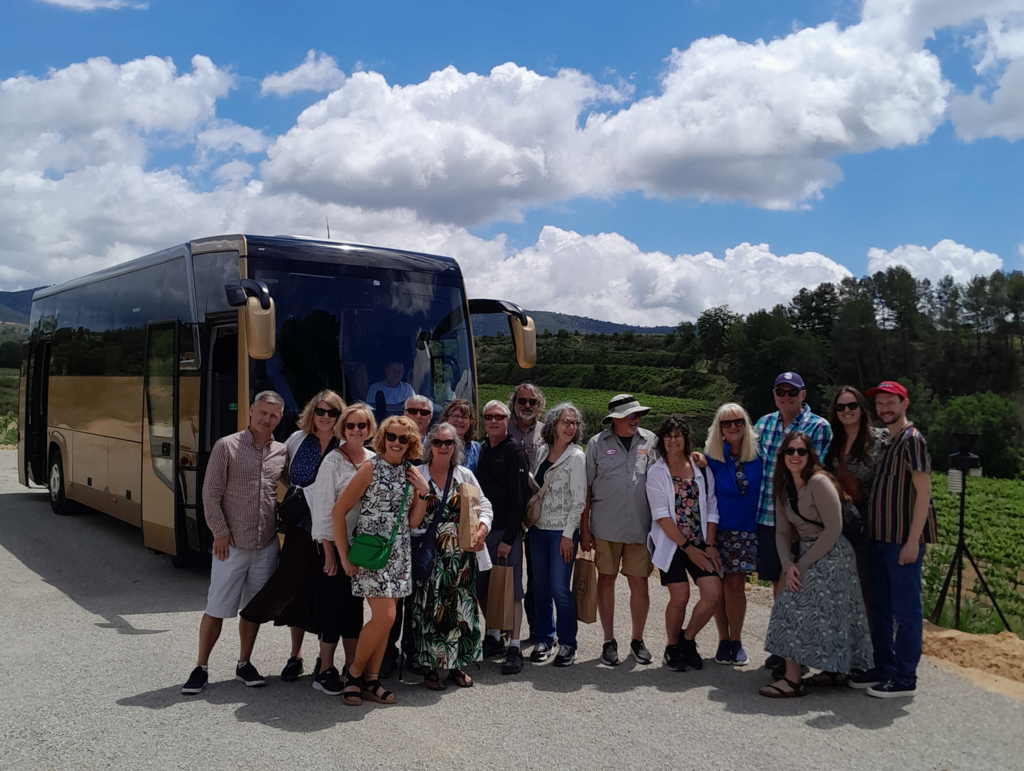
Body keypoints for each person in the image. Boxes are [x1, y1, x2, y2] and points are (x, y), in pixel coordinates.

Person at [181, 392, 289, 695]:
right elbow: (210, 493)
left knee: (253, 609)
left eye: (274, 415)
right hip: (230, 544)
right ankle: (200, 667)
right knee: (216, 606)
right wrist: (219, 532)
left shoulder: (281, 451)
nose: (267, 419)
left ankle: (244, 663)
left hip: (265, 544)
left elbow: (296, 485)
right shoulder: (226, 446)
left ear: (279, 418)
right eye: (263, 413)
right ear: (251, 411)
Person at [240, 390, 344, 682]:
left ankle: (325, 661)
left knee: (327, 594)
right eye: (321, 411)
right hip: (300, 530)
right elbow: (282, 473)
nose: (325, 417)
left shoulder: (346, 444)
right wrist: (299, 498)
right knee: (294, 590)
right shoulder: (297, 440)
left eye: (332, 413)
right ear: (312, 412)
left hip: (333, 534)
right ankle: (294, 655)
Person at [760, 432, 872, 698]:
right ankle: (832, 671)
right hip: (805, 554)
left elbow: (834, 528)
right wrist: (788, 564)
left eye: (801, 451)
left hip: (833, 553)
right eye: (790, 451)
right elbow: (783, 533)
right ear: (783, 455)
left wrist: (803, 564)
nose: (795, 456)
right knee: (815, 609)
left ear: (811, 455)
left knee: (792, 603)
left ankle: (793, 679)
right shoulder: (784, 487)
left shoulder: (819, 482)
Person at [330, 416, 430, 706]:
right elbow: (338, 512)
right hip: (371, 553)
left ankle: (371, 681)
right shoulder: (369, 468)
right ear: (383, 438)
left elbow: (412, 522)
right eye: (392, 437)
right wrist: (343, 554)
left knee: (387, 621)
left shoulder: (412, 473)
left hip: (398, 555)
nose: (397, 443)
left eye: (404, 439)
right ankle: (354, 674)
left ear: (411, 443)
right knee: (385, 616)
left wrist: (424, 492)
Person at [851, 381, 938, 699]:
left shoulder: (913, 441)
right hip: (880, 538)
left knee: (906, 610)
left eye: (891, 403)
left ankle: (904, 677)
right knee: (883, 608)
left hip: (901, 541)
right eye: (880, 404)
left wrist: (913, 541)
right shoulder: (889, 440)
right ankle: (884, 668)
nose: (885, 409)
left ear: (905, 403)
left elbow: (924, 493)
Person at [754, 371, 832, 672]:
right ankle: (784, 645)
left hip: (801, 521)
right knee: (779, 583)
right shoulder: (763, 424)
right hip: (767, 516)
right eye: (780, 391)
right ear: (774, 394)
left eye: (792, 391)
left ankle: (799, 651)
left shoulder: (819, 427)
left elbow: (817, 474)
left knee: (801, 585)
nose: (786, 396)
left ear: (803, 395)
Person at [301, 403, 377, 696]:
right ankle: (325, 669)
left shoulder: (373, 458)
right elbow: (322, 507)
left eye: (362, 425)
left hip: (363, 548)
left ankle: (351, 666)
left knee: (354, 608)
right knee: (333, 607)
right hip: (334, 544)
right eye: (350, 426)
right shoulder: (333, 461)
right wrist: (329, 550)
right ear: (342, 429)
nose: (356, 430)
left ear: (370, 429)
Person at [412, 422, 492, 690]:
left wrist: (483, 527)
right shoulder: (418, 473)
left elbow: (485, 506)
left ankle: (456, 665)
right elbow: (410, 518)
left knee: (460, 610)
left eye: (449, 443)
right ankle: (429, 668)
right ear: (429, 446)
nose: (443, 447)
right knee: (429, 609)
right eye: (437, 442)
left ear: (456, 447)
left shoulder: (465, 475)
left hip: (461, 557)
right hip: (430, 553)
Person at [581, 394, 658, 667]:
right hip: (605, 526)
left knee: (640, 583)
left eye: (638, 415)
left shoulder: (651, 442)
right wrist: (584, 529)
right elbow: (587, 488)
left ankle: (637, 640)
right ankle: (608, 640)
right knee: (606, 580)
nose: (636, 420)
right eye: (631, 415)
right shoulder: (596, 444)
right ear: (615, 419)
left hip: (640, 526)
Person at [647, 416, 723, 671]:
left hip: (700, 542)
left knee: (713, 594)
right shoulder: (657, 472)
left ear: (686, 439)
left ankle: (687, 639)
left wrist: (709, 545)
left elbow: (711, 506)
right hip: (673, 544)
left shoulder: (700, 468)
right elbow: (662, 517)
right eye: (668, 435)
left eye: (678, 435)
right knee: (680, 597)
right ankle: (671, 647)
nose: (672, 440)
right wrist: (687, 549)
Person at [475, 399, 531, 676]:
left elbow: (519, 500)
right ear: (483, 422)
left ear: (506, 420)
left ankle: (515, 646)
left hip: (505, 533)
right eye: (488, 417)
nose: (493, 421)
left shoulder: (514, 452)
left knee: (511, 591)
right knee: (484, 587)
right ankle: (494, 637)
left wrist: (510, 538)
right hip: (484, 531)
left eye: (499, 417)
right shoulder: (485, 449)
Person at [528, 403, 586, 667]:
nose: (570, 427)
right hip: (538, 530)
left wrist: (567, 535)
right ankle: (543, 638)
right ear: (553, 424)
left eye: (573, 423)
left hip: (561, 533)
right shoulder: (542, 451)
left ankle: (567, 644)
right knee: (539, 586)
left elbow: (579, 500)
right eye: (565, 421)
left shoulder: (576, 456)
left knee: (559, 589)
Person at [704, 403, 762, 666]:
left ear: (745, 423)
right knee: (718, 586)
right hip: (719, 530)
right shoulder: (712, 458)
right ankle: (723, 640)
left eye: (738, 421)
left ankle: (736, 640)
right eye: (726, 423)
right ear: (719, 429)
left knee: (735, 586)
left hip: (748, 530)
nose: (733, 427)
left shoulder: (759, 455)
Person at [824, 386, 886, 615]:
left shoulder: (880, 440)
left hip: (872, 527)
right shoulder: (834, 443)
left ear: (861, 408)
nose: (846, 411)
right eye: (841, 407)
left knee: (868, 590)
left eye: (852, 405)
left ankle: (870, 646)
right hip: (843, 526)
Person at [507, 382, 547, 640]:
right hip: (509, 509)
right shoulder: (501, 425)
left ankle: (537, 629)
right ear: (514, 403)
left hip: (536, 513)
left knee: (537, 576)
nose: (527, 406)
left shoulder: (547, 432)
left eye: (532, 402)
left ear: (539, 406)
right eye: (522, 401)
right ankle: (501, 630)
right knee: (507, 574)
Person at [439, 399, 481, 473]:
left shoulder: (476, 448)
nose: (460, 420)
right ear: (446, 419)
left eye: (464, 417)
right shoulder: (437, 445)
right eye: (456, 416)